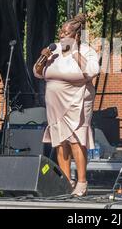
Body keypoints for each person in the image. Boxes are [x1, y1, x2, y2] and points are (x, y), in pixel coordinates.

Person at [34, 13, 99, 197]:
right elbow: (38, 73)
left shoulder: (86, 51)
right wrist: (42, 59)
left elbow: (91, 71)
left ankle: (82, 182)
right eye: (61, 32)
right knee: (60, 141)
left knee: (76, 139)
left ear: (76, 35)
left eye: (66, 33)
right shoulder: (53, 51)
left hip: (76, 101)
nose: (61, 36)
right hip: (55, 104)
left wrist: (74, 50)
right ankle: (66, 180)